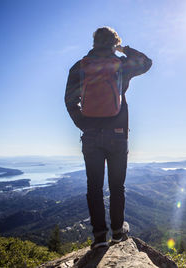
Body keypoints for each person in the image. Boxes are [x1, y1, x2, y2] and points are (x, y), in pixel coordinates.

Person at [65, 27, 152, 249]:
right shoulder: (121, 65)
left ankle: (99, 238)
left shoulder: (80, 66)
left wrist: (84, 124)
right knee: (116, 186)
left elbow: (70, 100)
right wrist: (125, 49)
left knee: (94, 187)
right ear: (114, 43)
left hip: (91, 136)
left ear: (94, 42)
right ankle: (116, 232)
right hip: (118, 134)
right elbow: (146, 62)